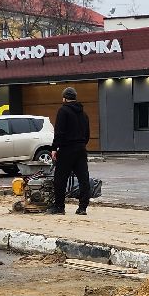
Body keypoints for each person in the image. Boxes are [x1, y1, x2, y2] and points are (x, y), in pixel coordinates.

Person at [51, 86, 91, 215]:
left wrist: (54, 148)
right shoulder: (84, 113)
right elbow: (87, 134)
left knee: (60, 179)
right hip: (81, 149)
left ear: (64, 98)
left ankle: (59, 207)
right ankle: (82, 207)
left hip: (66, 149)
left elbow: (59, 132)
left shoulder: (63, 111)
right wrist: (81, 144)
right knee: (83, 179)